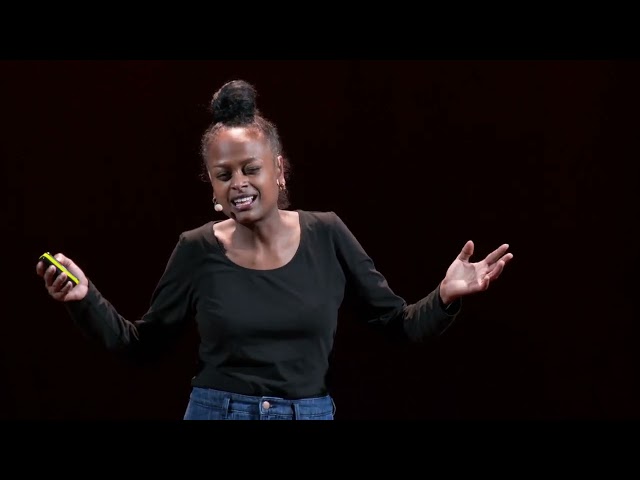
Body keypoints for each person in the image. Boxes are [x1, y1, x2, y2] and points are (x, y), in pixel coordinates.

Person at [36, 79, 513, 420]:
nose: (238, 183)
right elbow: (142, 347)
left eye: (251, 169)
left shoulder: (327, 233)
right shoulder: (197, 248)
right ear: (213, 188)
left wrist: (445, 296)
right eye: (224, 175)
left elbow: (397, 326)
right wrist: (85, 300)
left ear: (279, 170)